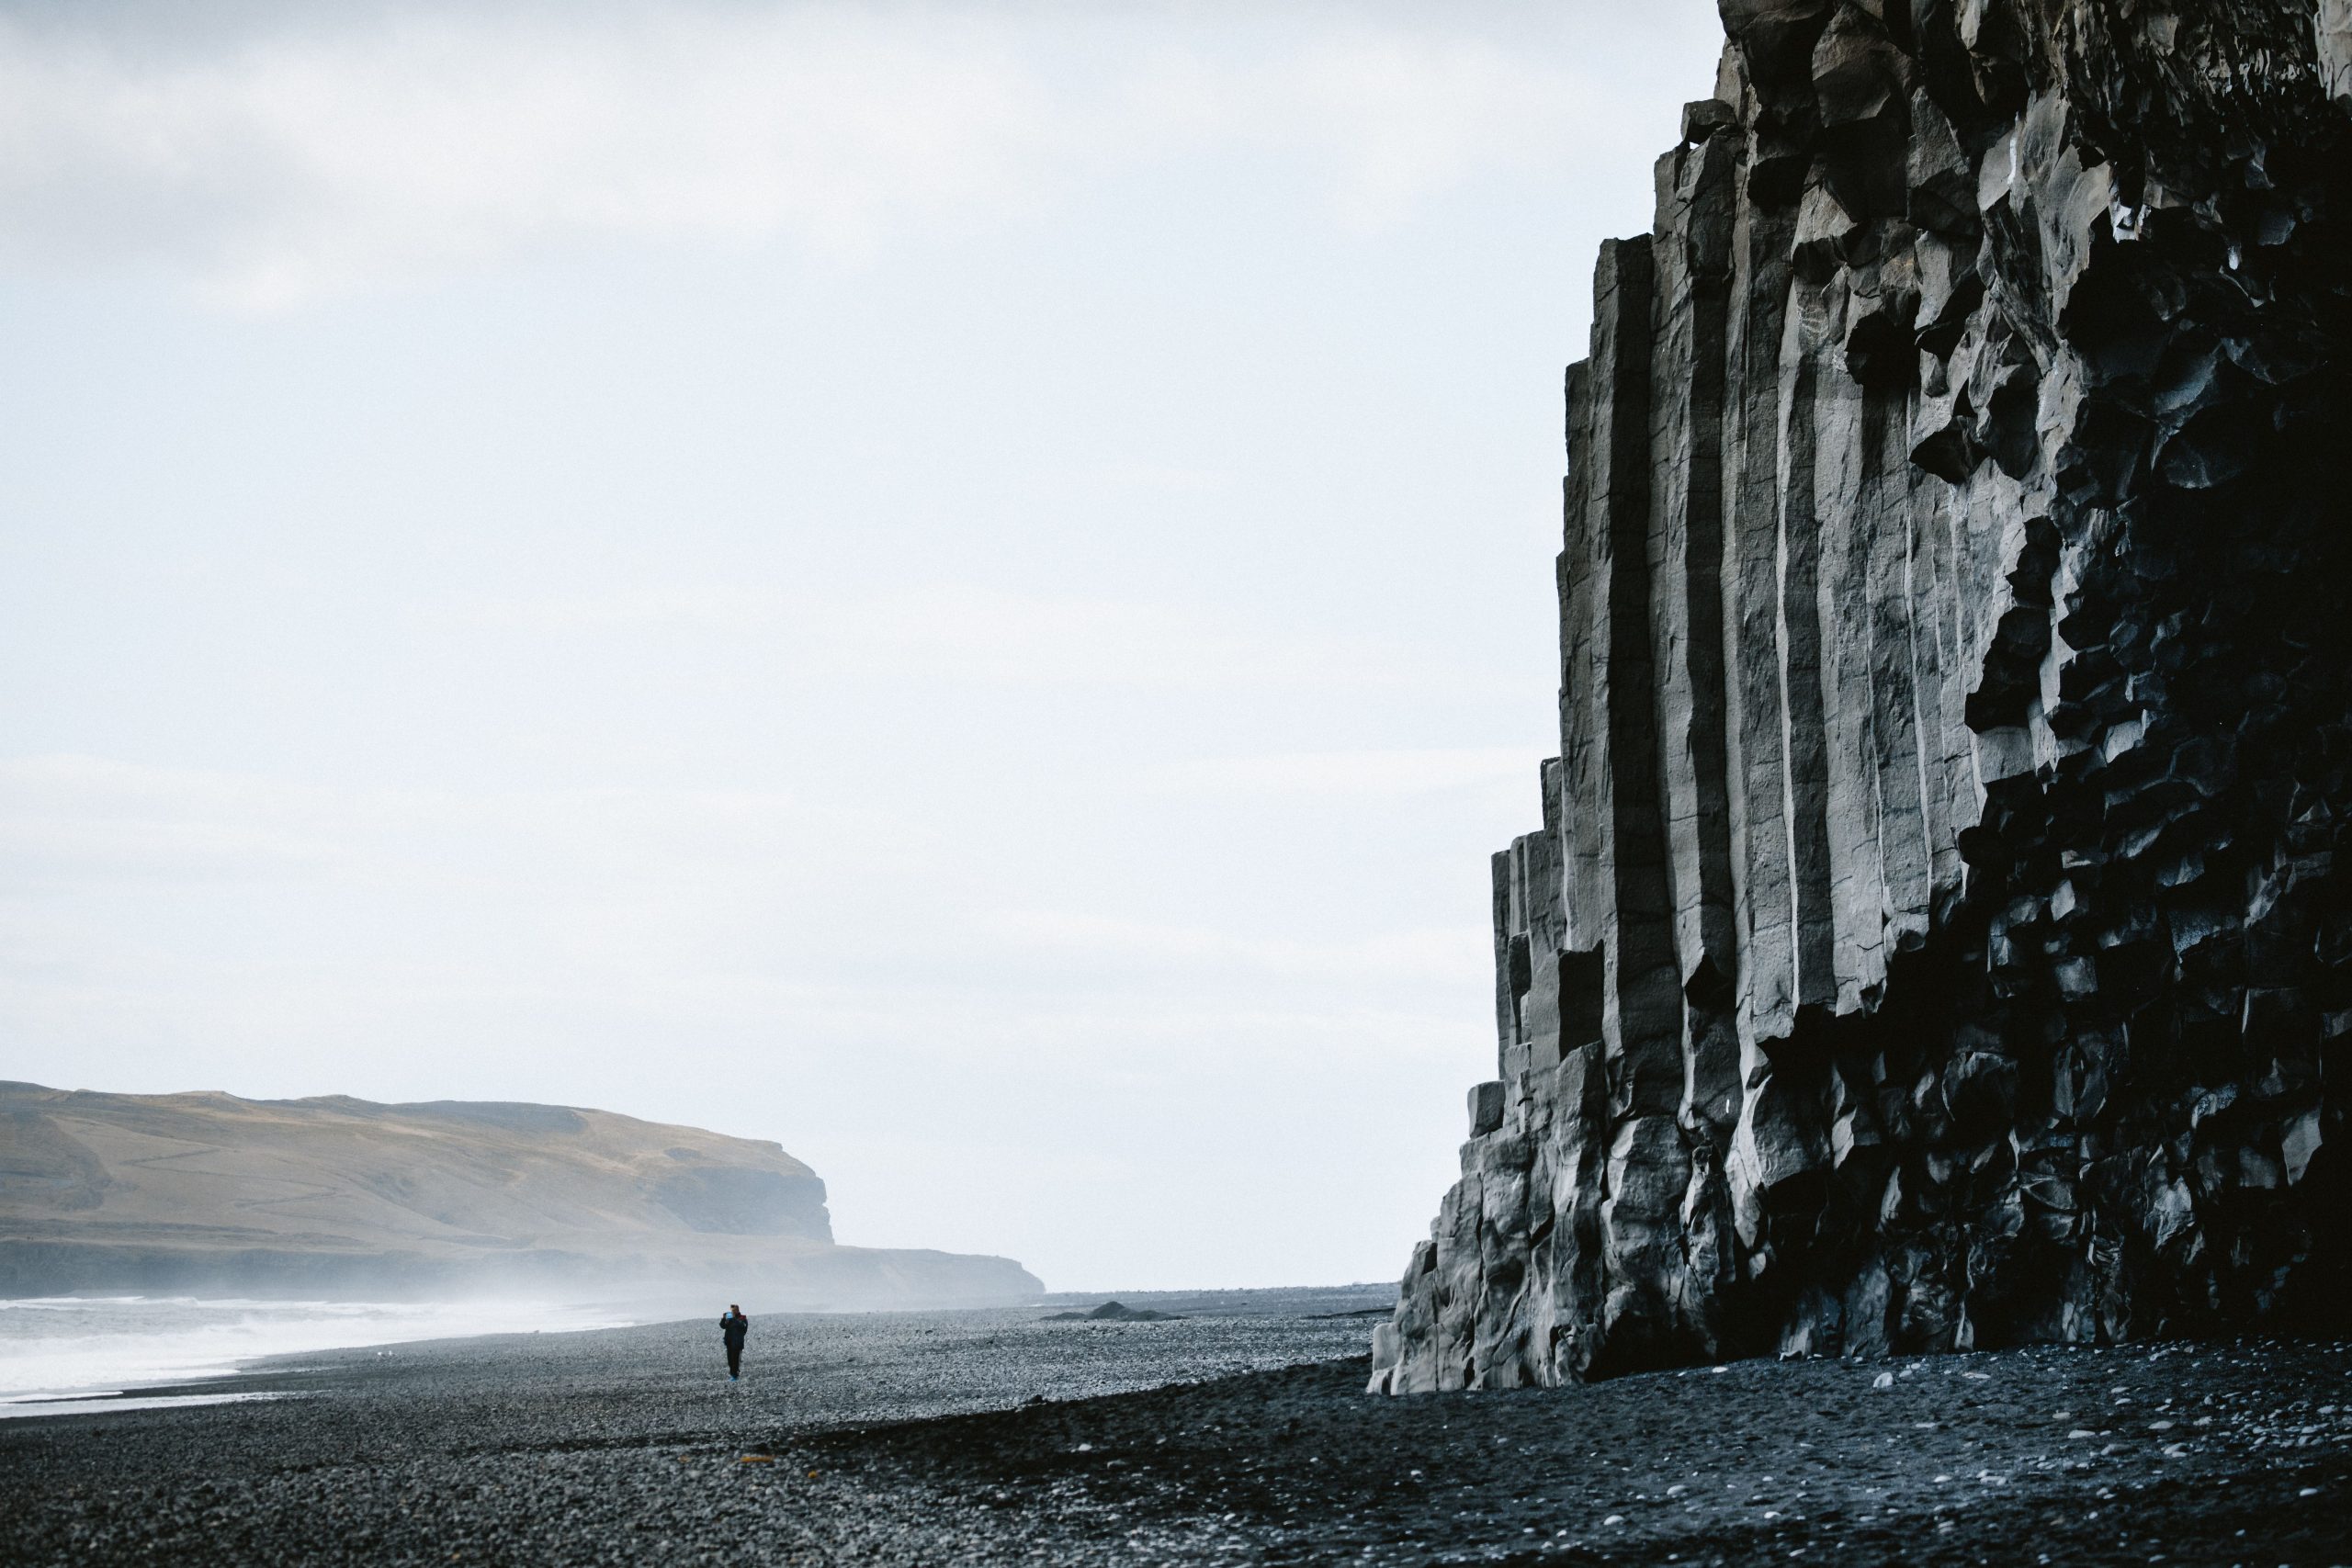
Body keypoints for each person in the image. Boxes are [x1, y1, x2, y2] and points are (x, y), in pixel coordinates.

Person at [719, 1303, 750, 1381]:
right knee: (730, 1360)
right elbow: (723, 1326)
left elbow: (743, 1327)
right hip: (729, 1342)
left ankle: (735, 1375)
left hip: (737, 1343)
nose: (733, 1312)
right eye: (732, 1310)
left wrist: (734, 1319)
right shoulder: (729, 1319)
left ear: (738, 1310)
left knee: (735, 1359)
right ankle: (733, 1374)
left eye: (734, 1310)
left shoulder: (742, 1318)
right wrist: (723, 1319)